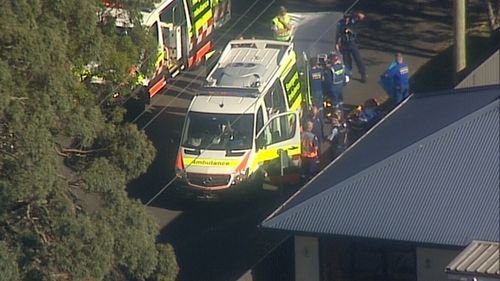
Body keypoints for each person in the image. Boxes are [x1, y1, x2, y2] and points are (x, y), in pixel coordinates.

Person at [335, 12, 367, 82]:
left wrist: (356, 14)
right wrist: (337, 43)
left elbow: (362, 16)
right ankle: (348, 74)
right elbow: (337, 34)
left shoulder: (353, 21)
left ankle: (363, 74)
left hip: (352, 43)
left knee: (358, 59)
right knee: (346, 60)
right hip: (344, 44)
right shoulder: (340, 23)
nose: (346, 19)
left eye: (348, 17)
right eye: (345, 18)